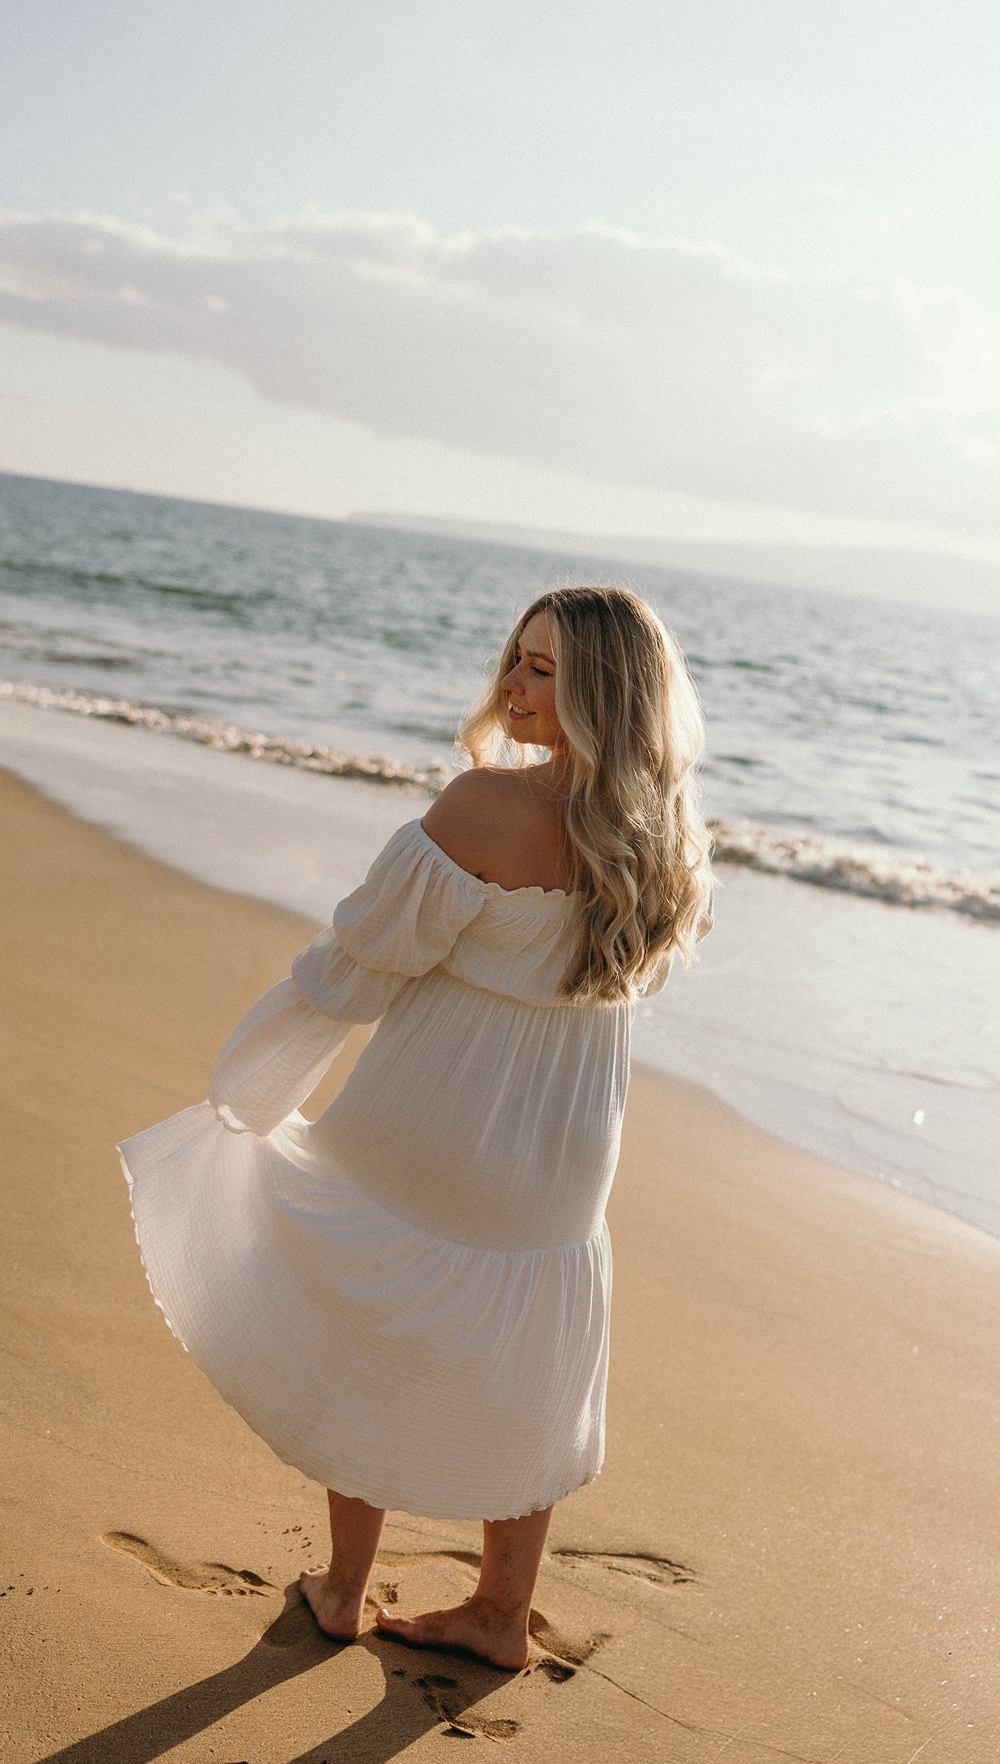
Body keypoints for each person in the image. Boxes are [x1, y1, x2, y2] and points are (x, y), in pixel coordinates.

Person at [117, 585, 713, 1671]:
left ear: (604, 691)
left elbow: (362, 961)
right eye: (515, 659)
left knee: (371, 1317)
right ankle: (500, 1610)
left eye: (544, 670)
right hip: (568, 1144)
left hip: (436, 1112)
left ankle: (343, 1590)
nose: (513, 684)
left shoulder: (487, 806)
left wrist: (256, 1076)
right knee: (525, 1349)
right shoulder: (669, 834)